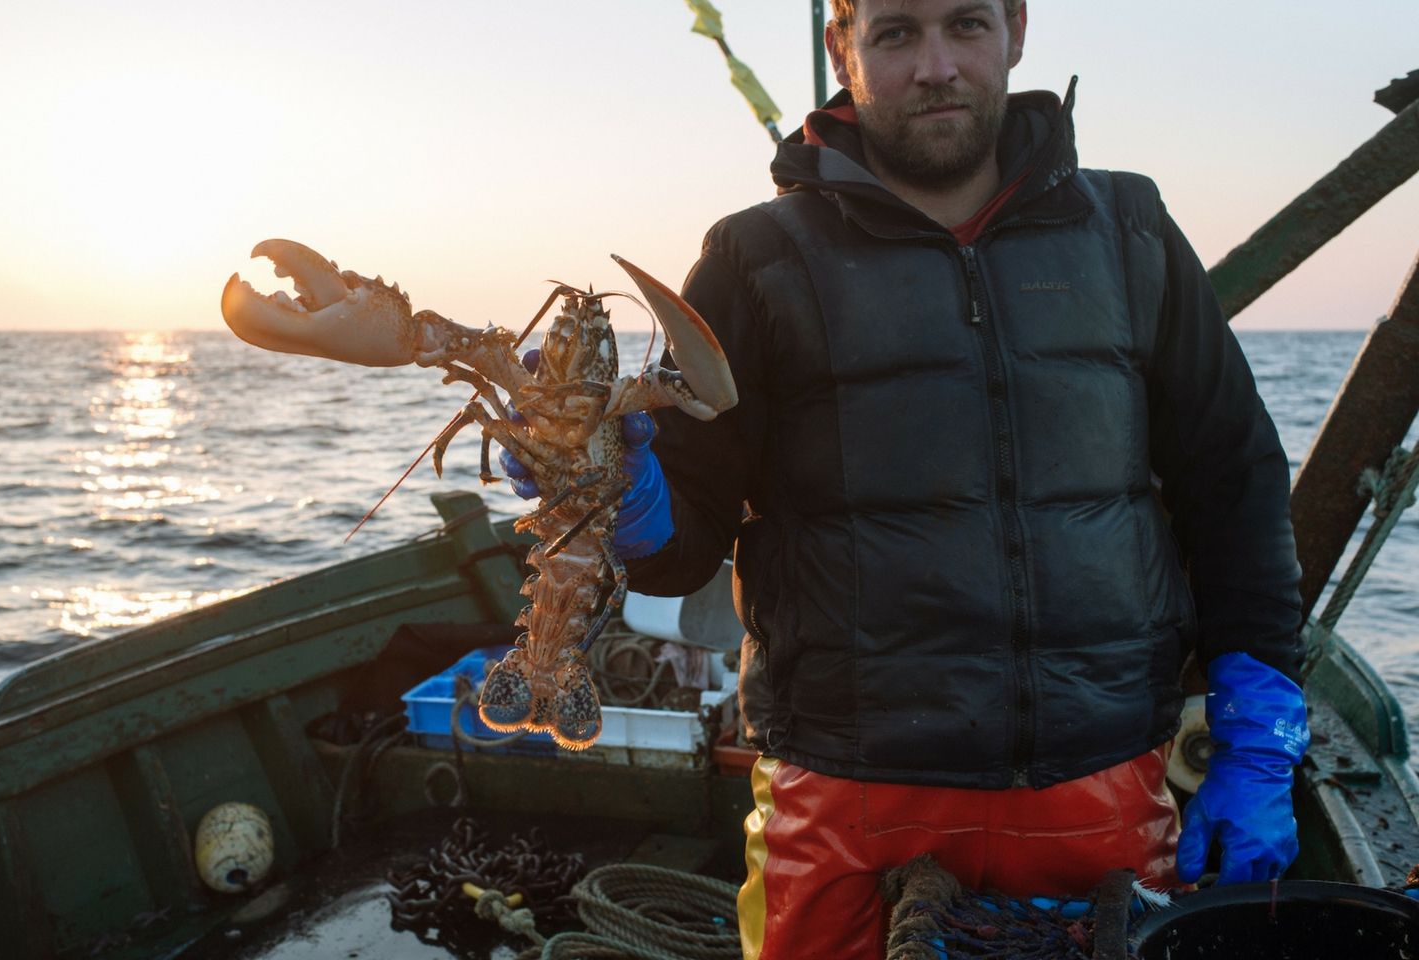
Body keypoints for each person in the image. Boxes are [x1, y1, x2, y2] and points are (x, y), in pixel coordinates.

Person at [507, 1, 1310, 957]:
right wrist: (617, 489)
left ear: (1016, 30)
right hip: (842, 794)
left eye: (965, 25)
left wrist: (1257, 735)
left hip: (1099, 782)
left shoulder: (1129, 229)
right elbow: (681, 552)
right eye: (894, 34)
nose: (935, 66)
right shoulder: (753, 259)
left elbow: (1236, 481)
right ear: (840, 47)